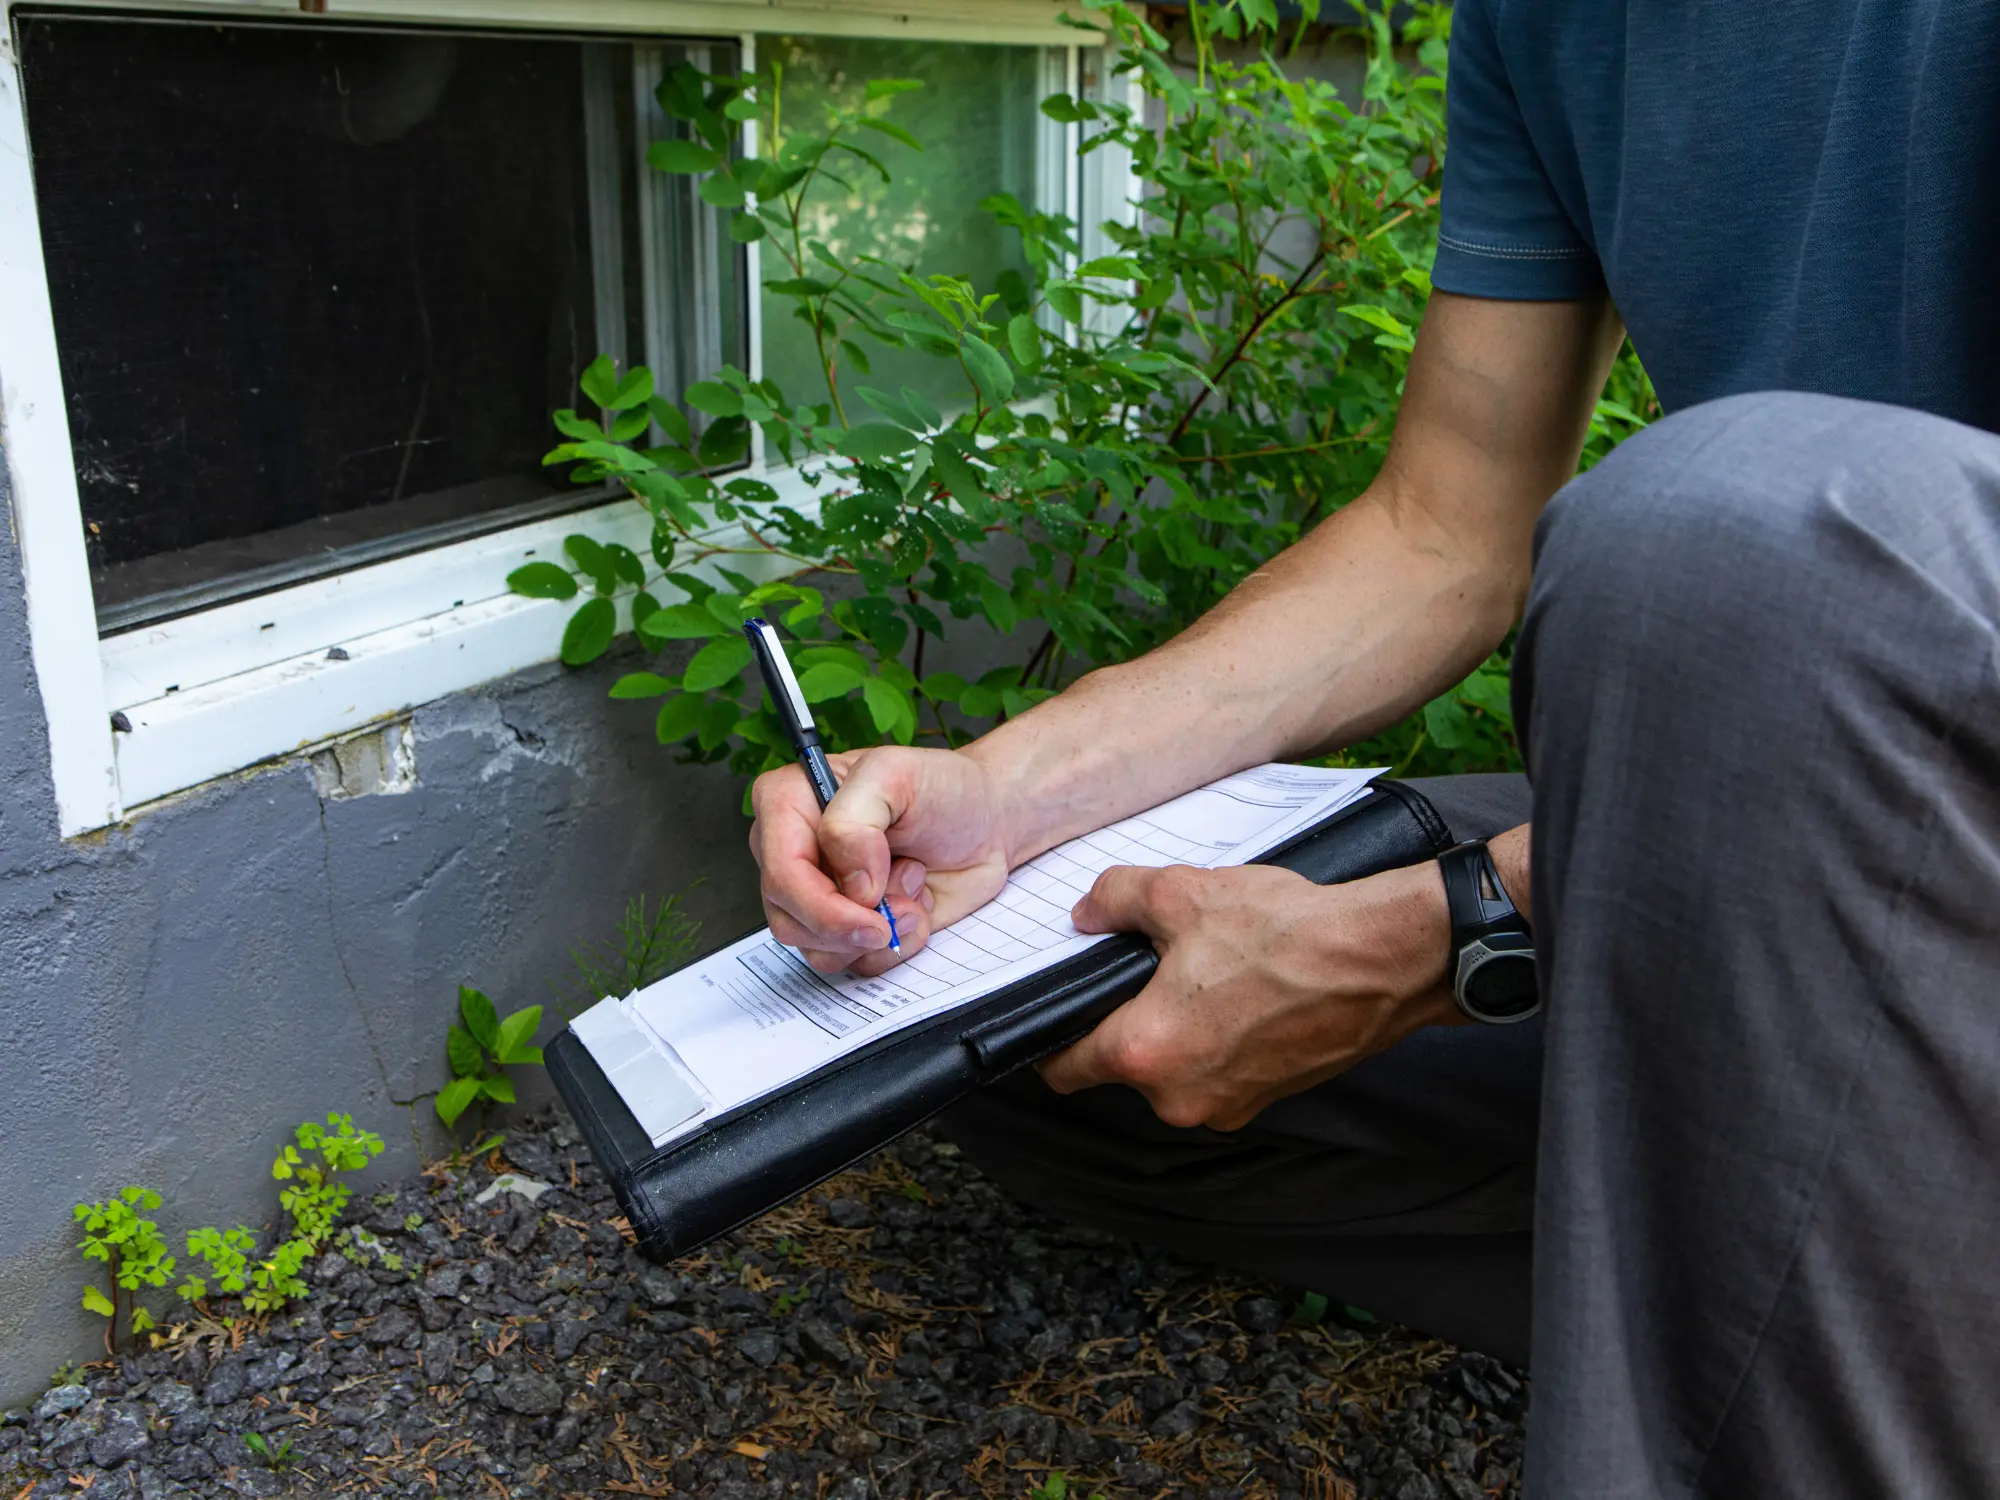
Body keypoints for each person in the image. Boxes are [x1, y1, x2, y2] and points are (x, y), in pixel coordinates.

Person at [749, 3, 2000, 1494]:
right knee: (1052, 1028)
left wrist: (1446, 935)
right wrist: (1006, 795)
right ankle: (1822, 1276)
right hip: (1787, 864)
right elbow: (1440, 531)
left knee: (1730, 540)